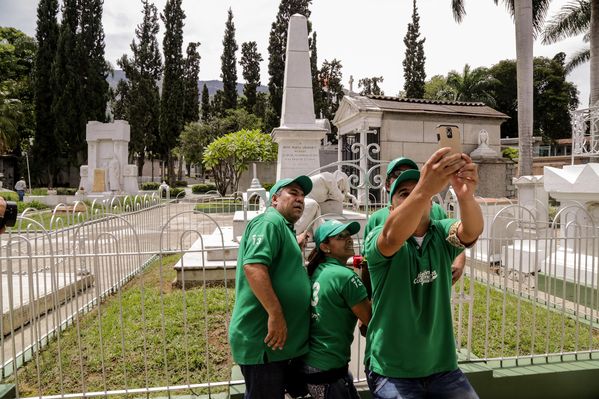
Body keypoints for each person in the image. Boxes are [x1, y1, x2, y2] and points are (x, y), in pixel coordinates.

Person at [364, 148, 483, 399]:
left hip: (441, 368)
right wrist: (425, 189)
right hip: (393, 370)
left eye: (415, 191)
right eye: (403, 194)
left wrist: (466, 196)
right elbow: (391, 237)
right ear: (391, 204)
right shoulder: (382, 235)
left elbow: (470, 232)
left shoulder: (440, 233)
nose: (411, 198)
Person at [228, 175, 313, 399]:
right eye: (293, 193)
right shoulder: (269, 222)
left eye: (303, 196)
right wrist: (275, 313)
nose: (300, 199)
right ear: (274, 199)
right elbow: (254, 267)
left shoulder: (282, 227)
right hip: (263, 343)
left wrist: (297, 243)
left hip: (281, 347)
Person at [361, 157, 466, 297]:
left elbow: (455, 239)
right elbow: (368, 262)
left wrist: (459, 264)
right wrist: (368, 299)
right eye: (398, 174)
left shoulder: (436, 211)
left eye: (410, 173)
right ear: (387, 184)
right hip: (395, 292)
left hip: (432, 291)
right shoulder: (377, 218)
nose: (404, 176)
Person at [303, 219, 371, 399]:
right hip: (329, 369)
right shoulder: (344, 276)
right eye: (340, 237)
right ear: (325, 247)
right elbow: (370, 319)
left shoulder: (317, 270)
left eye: (348, 235)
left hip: (314, 365)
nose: (348, 239)